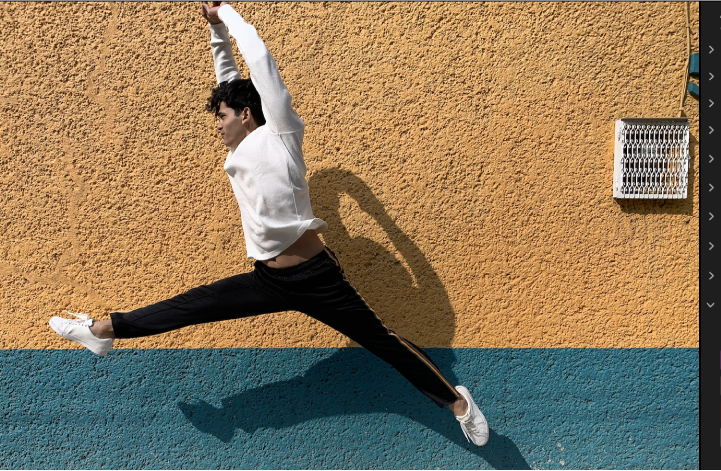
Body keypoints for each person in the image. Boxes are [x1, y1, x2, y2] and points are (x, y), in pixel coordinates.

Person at [48, 1, 489, 447]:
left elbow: (258, 59)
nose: (217, 125)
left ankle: (459, 404)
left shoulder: (280, 132)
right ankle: (102, 331)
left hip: (317, 279)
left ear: (246, 114)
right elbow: (228, 79)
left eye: (222, 116)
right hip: (268, 279)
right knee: (192, 305)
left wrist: (227, 14)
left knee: (384, 342)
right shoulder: (238, 149)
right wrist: (215, 32)